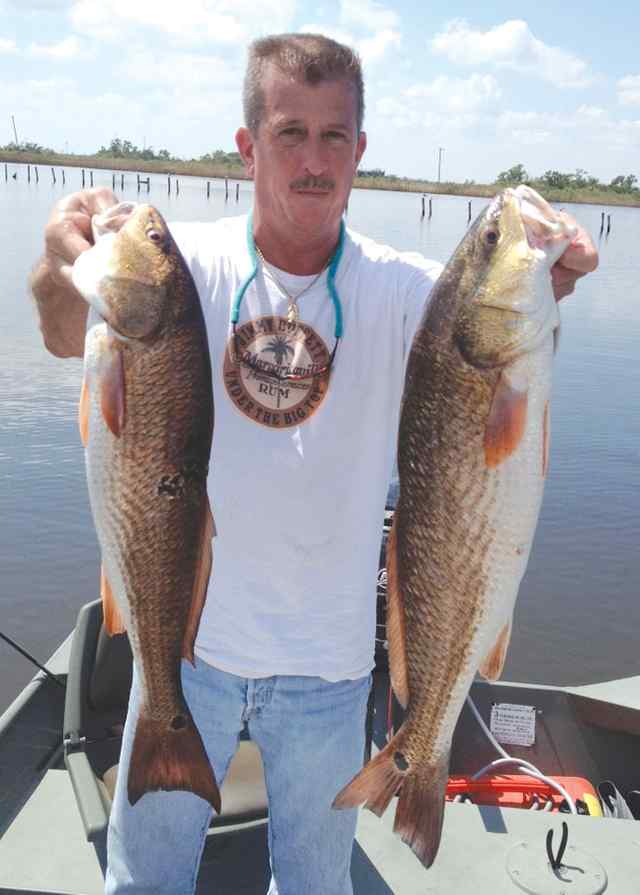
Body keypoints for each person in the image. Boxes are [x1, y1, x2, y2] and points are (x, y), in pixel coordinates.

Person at [30, 32, 598, 895]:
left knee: (315, 885)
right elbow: (66, 331)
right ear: (248, 145)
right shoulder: (185, 269)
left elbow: (487, 353)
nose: (313, 159)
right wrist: (55, 261)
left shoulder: (407, 291)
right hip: (189, 648)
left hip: (331, 669)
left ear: (361, 151)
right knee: (144, 880)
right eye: (290, 132)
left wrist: (545, 280)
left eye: (335, 136)